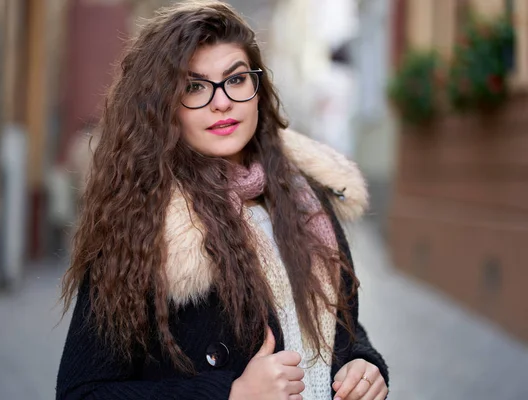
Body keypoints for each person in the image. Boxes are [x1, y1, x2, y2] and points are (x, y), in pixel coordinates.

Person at [56, 1, 389, 399]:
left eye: (236, 79)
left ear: (257, 89)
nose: (222, 101)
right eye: (194, 86)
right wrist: (229, 393)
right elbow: (83, 392)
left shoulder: (305, 196)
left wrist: (365, 364)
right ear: (165, 106)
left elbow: (341, 328)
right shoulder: (144, 220)